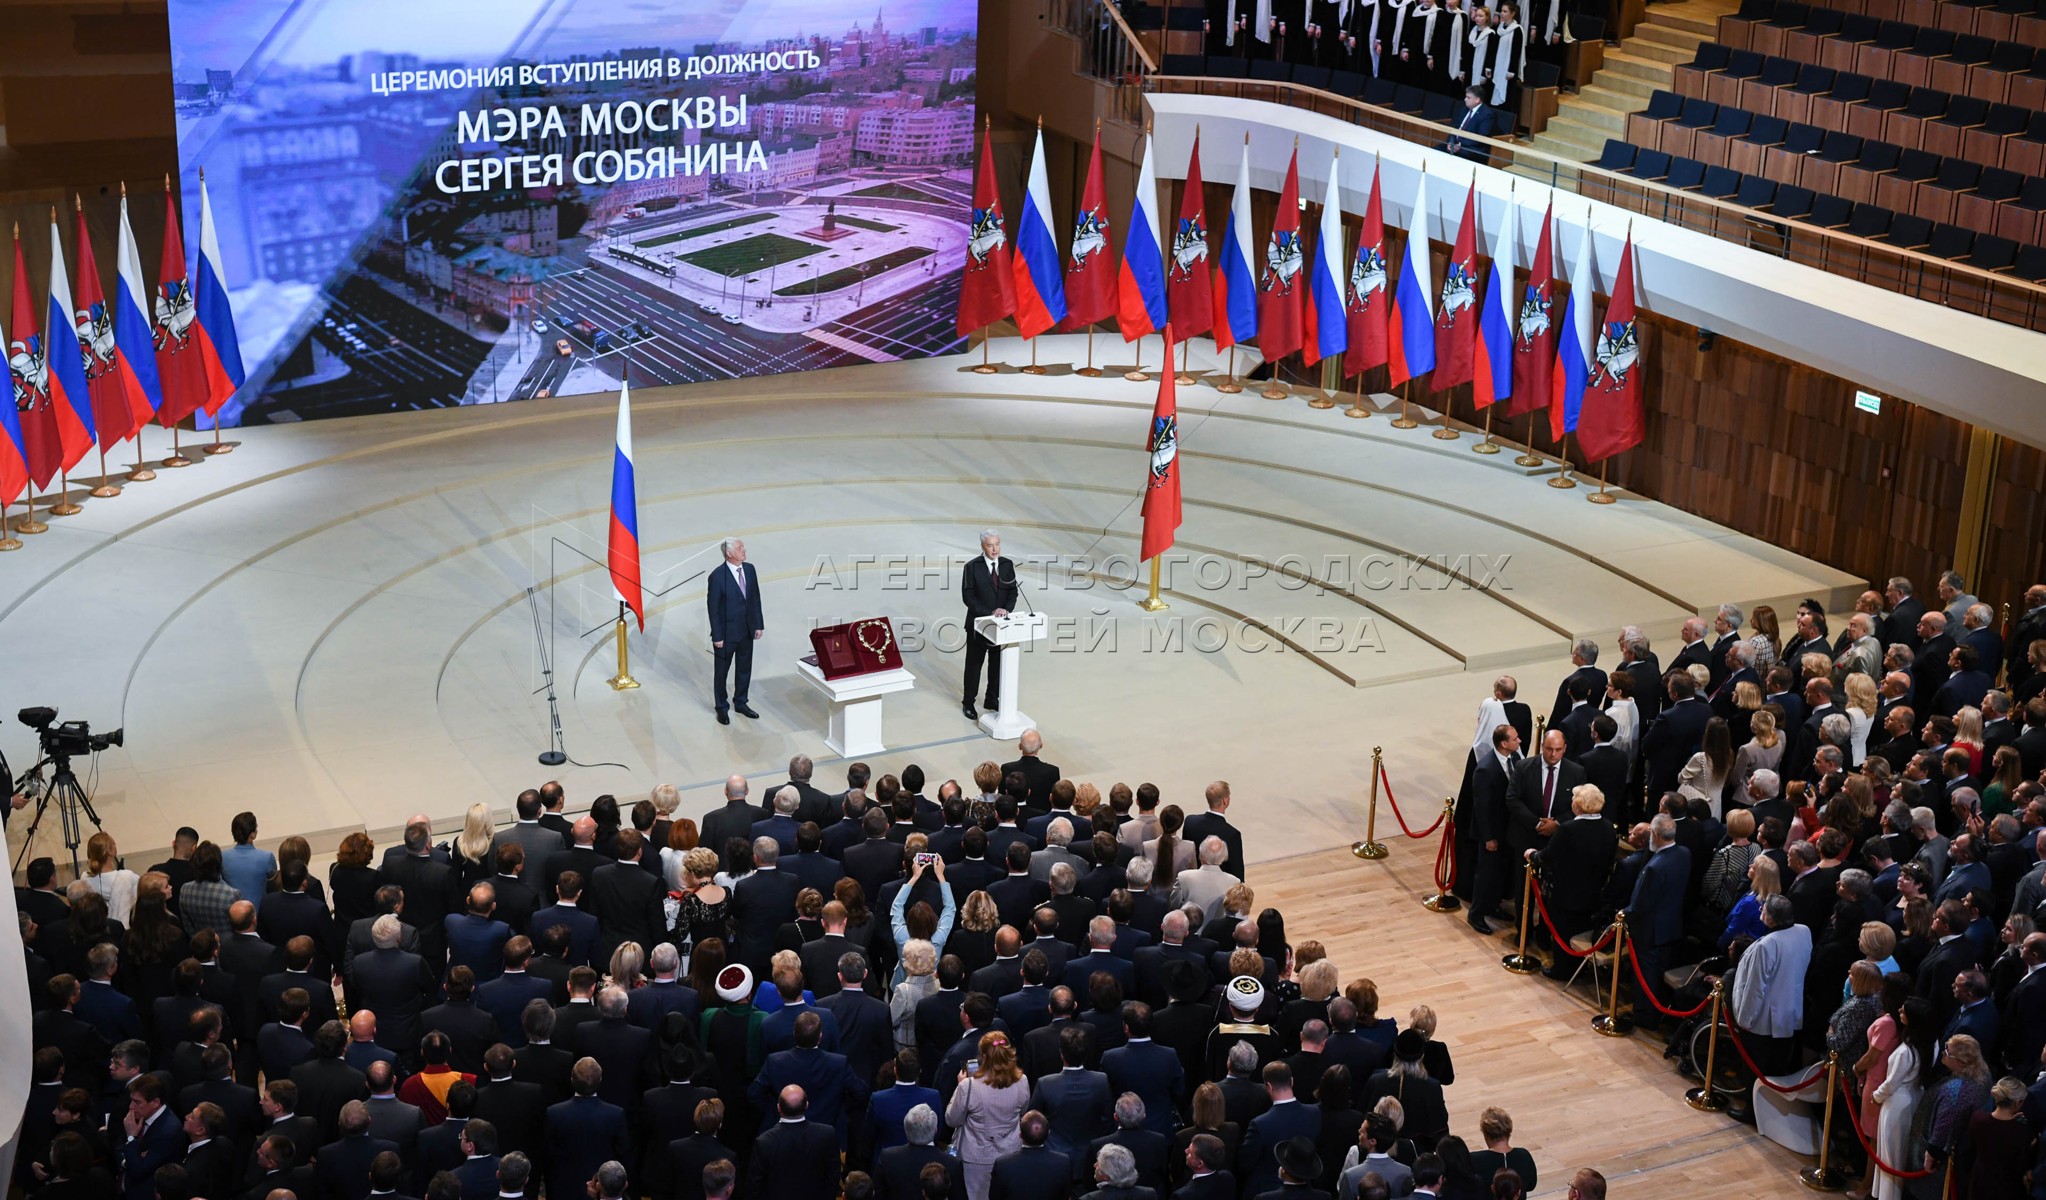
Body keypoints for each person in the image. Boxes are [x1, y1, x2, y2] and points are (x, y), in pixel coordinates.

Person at [945, 1031, 1031, 1200]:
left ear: (983, 1056)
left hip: (976, 1159)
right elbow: (1023, 1112)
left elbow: (952, 1119)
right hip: (1010, 1154)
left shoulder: (968, 1086)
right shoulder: (1022, 1081)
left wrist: (960, 1086)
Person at [1869, 996, 1935, 1200]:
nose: (1899, 1011)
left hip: (1896, 1104)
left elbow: (1891, 1083)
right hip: (1914, 1098)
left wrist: (1876, 1096)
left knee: (1890, 1155)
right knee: (1898, 1152)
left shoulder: (1906, 1051)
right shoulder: (1931, 1043)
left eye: (1903, 1011)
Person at [960, 530, 1020, 722]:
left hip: (1000, 626)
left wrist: (1006, 609)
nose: (995, 549)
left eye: (997, 544)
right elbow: (968, 596)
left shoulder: (1007, 564)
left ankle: (991, 698)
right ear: (982, 546)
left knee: (997, 663)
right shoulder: (972, 567)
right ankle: (968, 702)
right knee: (974, 665)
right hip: (978, 625)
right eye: (990, 545)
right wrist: (990, 612)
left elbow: (1013, 591)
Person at [706, 536, 765, 724]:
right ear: (729, 553)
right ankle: (721, 707)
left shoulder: (750, 569)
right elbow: (713, 609)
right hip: (726, 635)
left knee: (744, 669)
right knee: (721, 672)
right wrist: (717, 636)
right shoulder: (717, 577)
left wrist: (758, 624)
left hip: (747, 631)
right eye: (740, 548)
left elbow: (755, 599)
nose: (744, 550)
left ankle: (741, 702)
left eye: (743, 547)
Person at [1958, 1076, 2032, 1200]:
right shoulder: (2021, 1129)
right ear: (2018, 1102)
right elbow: (2021, 1162)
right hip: (2007, 1185)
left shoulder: (1977, 1119)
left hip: (1980, 1179)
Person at [1443, 85, 1505, 161]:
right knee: (1437, 149)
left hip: (1471, 149)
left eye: (1468, 98)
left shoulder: (1487, 115)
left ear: (1477, 100)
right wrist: (1450, 142)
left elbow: (1481, 138)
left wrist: (1460, 146)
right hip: (1455, 145)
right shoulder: (1464, 109)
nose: (1465, 99)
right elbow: (1454, 127)